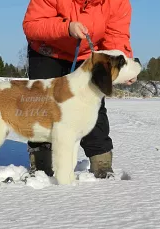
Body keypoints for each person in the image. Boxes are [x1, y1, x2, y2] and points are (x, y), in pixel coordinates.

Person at [22, 0, 137, 179]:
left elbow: (116, 38)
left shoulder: (118, 3)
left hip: (86, 56)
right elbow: (32, 25)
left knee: (92, 105)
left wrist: (125, 67)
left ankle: (101, 159)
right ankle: (41, 158)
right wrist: (66, 28)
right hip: (48, 51)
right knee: (43, 106)